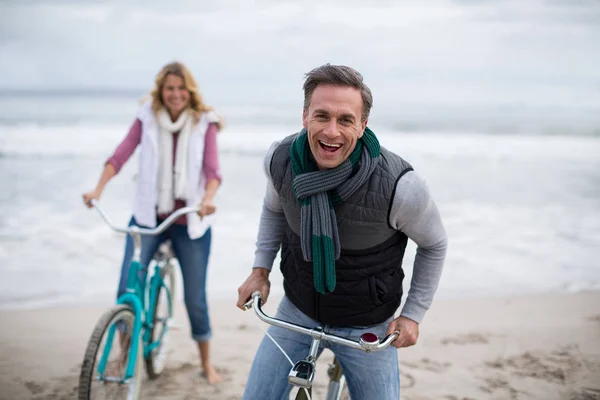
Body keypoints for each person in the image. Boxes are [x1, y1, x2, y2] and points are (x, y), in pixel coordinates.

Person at [236, 64, 448, 399]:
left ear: (363, 125)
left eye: (345, 119)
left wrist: (412, 315)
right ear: (305, 116)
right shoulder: (280, 160)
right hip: (298, 309)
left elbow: (435, 244)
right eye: (322, 116)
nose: (331, 131)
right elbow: (274, 210)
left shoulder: (400, 186)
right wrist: (259, 271)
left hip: (367, 323)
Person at [83, 61, 223, 384]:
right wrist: (98, 189)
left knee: (195, 299)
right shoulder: (146, 117)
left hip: (188, 220)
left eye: (180, 88)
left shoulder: (205, 122)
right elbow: (120, 155)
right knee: (126, 288)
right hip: (147, 217)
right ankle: (124, 354)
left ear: (190, 91)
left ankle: (206, 362)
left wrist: (208, 199)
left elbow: (213, 171)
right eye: (169, 88)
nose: (175, 94)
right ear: (161, 91)